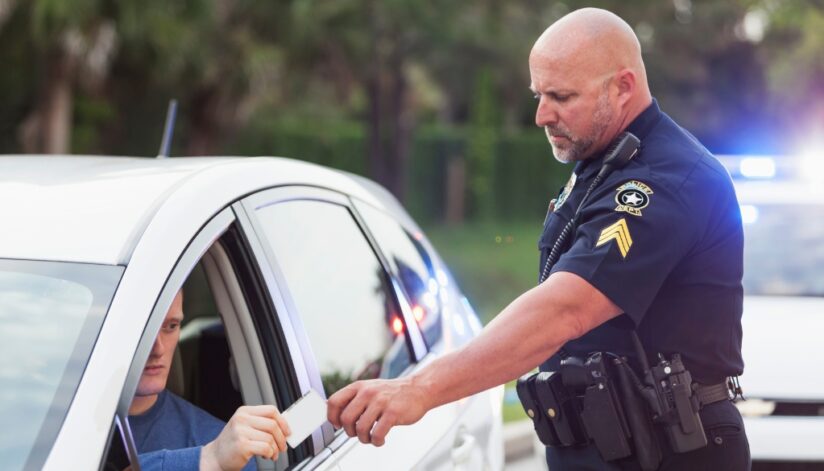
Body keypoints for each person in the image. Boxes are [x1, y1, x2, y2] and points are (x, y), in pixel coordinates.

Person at [327, 7, 749, 470]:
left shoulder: (664, 180)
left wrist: (419, 388)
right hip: (612, 442)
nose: (541, 114)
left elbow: (566, 308)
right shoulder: (604, 161)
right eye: (539, 94)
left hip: (670, 448)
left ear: (623, 87)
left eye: (561, 96)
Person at [129, 290, 291, 471]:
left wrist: (211, 460)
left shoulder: (219, 445)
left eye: (171, 326)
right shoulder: (214, 454)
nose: (158, 348)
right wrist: (204, 461)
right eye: (142, 328)